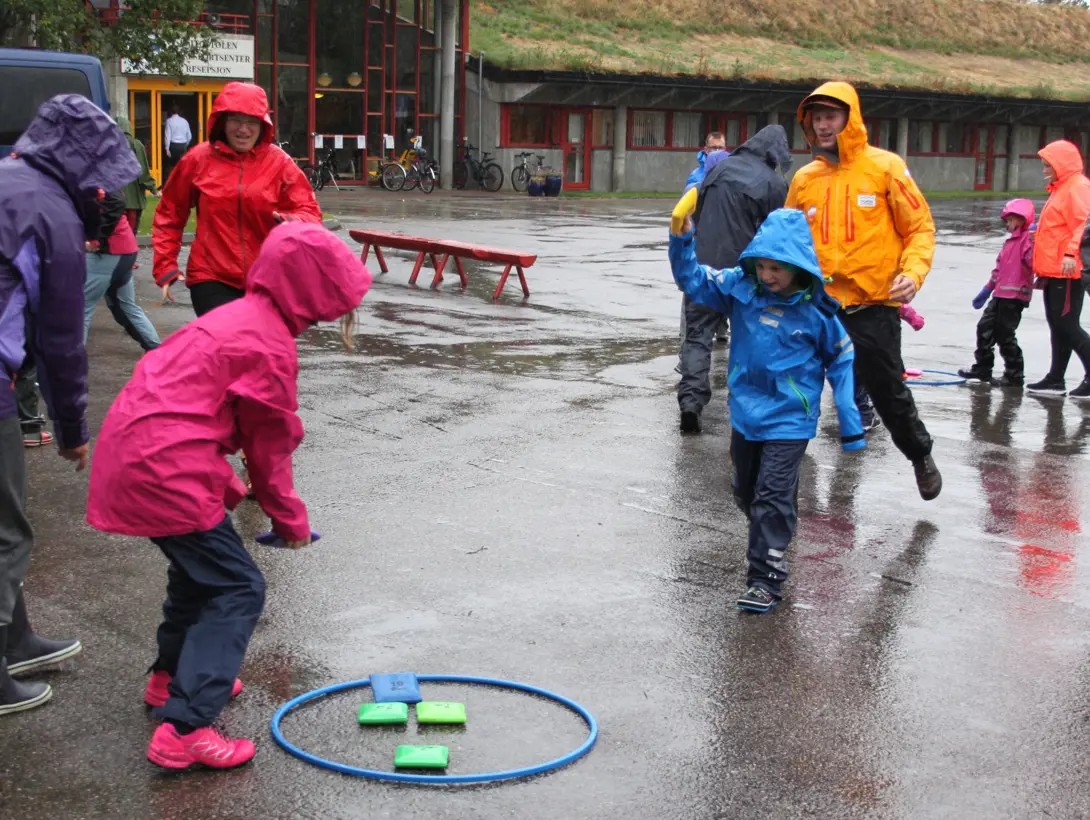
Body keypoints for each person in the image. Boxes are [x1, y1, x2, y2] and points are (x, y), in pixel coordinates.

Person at [87, 222, 372, 769]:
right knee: (239, 588)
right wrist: (290, 521)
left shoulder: (235, 317)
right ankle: (185, 727)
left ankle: (170, 679)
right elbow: (269, 446)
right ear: (312, 290)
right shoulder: (267, 343)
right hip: (165, 471)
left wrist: (222, 481)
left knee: (197, 574)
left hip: (138, 454)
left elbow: (186, 403)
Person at [0, 94, 140, 715]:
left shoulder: (8, 176)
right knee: (6, 532)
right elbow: (61, 340)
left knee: (7, 520)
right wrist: (72, 430)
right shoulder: (51, 211)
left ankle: (16, 638)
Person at [670, 207, 864, 611]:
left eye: (777, 268)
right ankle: (774, 520)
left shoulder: (816, 313)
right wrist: (681, 239)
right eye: (761, 266)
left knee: (770, 498)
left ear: (798, 267)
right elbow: (693, 280)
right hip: (746, 414)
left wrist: (849, 421)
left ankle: (765, 579)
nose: (768, 275)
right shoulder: (742, 289)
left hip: (790, 419)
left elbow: (843, 360)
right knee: (747, 493)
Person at [786, 82, 941, 500]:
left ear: (850, 119)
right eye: (816, 118)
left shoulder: (886, 167)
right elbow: (787, 240)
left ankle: (920, 455)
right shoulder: (804, 179)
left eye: (831, 117)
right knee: (795, 386)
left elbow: (920, 228)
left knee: (888, 392)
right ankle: (783, 471)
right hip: (817, 307)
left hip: (872, 306)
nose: (822, 125)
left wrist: (913, 272)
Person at [154, 82, 322, 316]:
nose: (243, 129)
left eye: (252, 121)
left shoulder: (280, 163)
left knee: (263, 350)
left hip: (268, 278)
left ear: (263, 125)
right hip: (211, 276)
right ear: (222, 121)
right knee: (225, 347)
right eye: (235, 119)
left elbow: (310, 211)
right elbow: (170, 212)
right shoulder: (198, 160)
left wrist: (293, 221)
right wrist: (165, 265)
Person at [674, 125, 792, 434]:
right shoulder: (774, 183)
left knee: (697, 337)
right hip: (745, 274)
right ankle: (744, 407)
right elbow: (780, 234)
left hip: (703, 268)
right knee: (747, 339)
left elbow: (696, 213)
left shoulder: (719, 168)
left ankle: (691, 404)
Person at [1026, 140, 1090, 398]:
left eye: (1048, 165)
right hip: (1053, 269)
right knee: (1057, 324)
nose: (1044, 170)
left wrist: (1069, 254)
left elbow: (1085, 225)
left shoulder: (1078, 187)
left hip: (1067, 269)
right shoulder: (1063, 188)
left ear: (1061, 165)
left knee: (1066, 325)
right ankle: (1055, 378)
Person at [958, 199, 1036, 388]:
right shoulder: (1009, 243)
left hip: (1015, 298)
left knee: (1005, 335)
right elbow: (999, 270)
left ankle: (1014, 374)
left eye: (1011, 221)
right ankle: (982, 368)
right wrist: (986, 290)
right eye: (1007, 221)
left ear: (1022, 219)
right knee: (984, 328)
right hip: (999, 295)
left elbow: (1034, 262)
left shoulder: (1028, 239)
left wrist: (1036, 240)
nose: (1008, 225)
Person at [84, 190, 161, 351]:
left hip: (108, 252)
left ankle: (67, 370)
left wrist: (96, 237)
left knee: (80, 308)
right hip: (122, 250)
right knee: (124, 306)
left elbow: (116, 201)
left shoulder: (91, 175)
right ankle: (161, 354)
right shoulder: (98, 173)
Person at [115, 116, 157, 256]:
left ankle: (118, 255)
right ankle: (129, 258)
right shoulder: (136, 144)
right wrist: (152, 187)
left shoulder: (110, 144)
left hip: (116, 196)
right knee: (131, 230)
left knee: (117, 229)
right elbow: (142, 171)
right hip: (133, 198)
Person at [162, 104, 193, 182]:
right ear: (179, 112)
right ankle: (182, 183)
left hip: (172, 146)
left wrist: (167, 149)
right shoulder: (185, 121)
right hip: (182, 146)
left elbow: (167, 136)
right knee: (182, 166)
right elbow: (189, 136)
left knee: (169, 166)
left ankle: (168, 183)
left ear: (170, 112)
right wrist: (185, 145)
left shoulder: (169, 121)